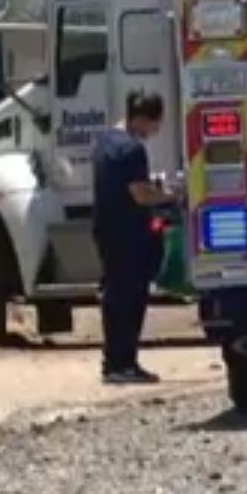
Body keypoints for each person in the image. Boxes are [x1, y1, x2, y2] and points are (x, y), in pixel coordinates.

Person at [92, 91, 176, 385]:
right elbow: (140, 194)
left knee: (115, 298)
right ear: (142, 119)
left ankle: (113, 362)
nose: (153, 132)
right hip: (129, 235)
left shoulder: (105, 142)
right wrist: (169, 195)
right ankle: (124, 363)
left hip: (107, 230)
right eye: (154, 126)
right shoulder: (132, 150)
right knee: (131, 301)